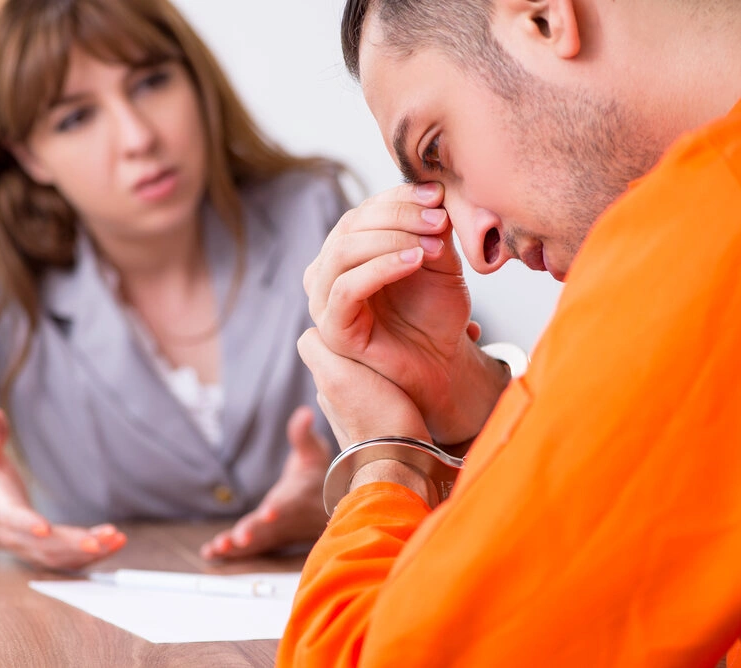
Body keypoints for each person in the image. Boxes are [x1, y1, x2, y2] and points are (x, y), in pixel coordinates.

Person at [0, 0, 347, 570]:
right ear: (28, 156)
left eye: (151, 82)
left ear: (195, 79)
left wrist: (347, 491)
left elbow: (408, 440)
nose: (138, 137)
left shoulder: (313, 215)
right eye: (75, 119)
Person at [279, 0, 741, 665]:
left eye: (436, 149)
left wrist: (387, 457)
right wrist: (473, 404)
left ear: (543, 18)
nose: (475, 247)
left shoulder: (704, 234)